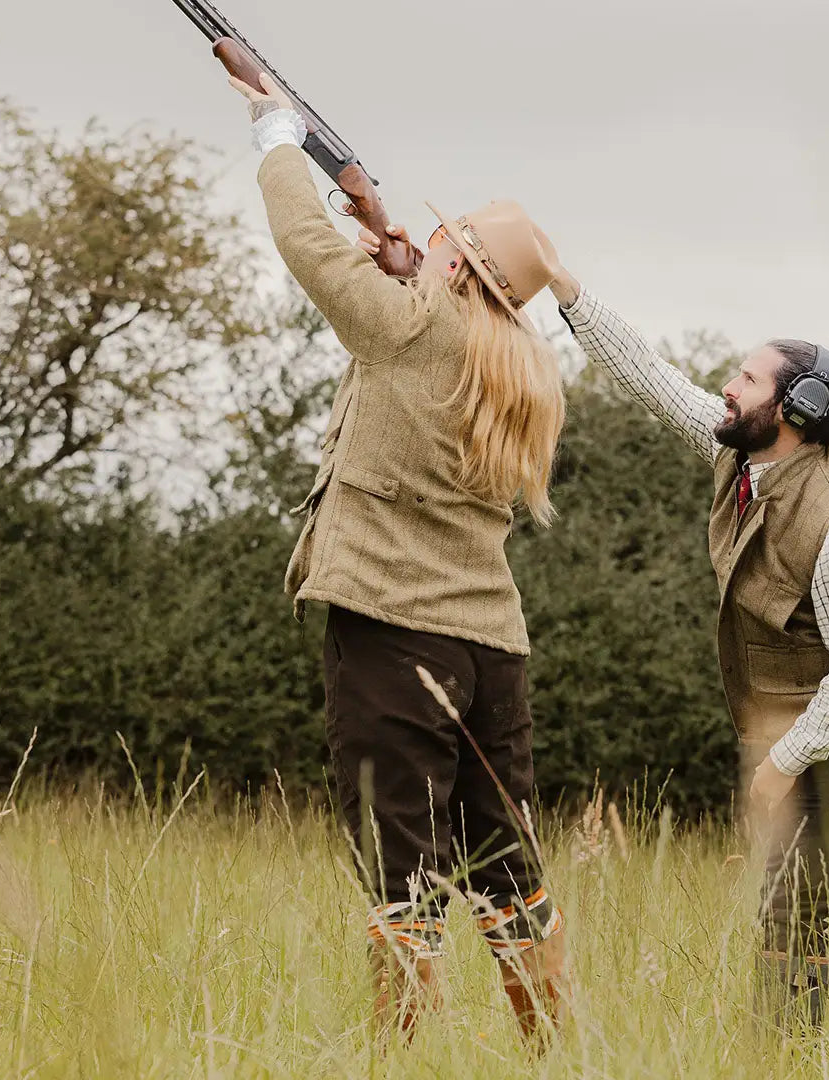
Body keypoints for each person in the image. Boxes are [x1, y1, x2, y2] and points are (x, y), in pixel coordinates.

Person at [228, 73, 568, 1042]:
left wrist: (275, 135)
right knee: (508, 868)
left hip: (391, 634)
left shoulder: (415, 326)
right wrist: (390, 244)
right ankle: (557, 1047)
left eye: (448, 241)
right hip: (489, 647)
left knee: (400, 865)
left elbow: (303, 247)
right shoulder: (516, 368)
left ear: (458, 271)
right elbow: (415, 317)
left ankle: (398, 1057)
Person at [539, 267, 829, 1032]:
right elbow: (651, 379)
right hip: (794, 719)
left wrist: (780, 764)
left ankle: (791, 1051)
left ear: (796, 409)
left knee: (795, 904)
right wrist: (566, 291)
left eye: (745, 378)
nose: (726, 387)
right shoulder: (742, 454)